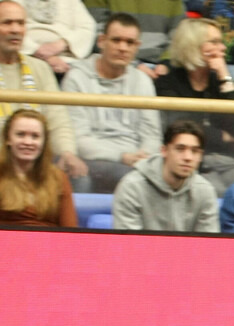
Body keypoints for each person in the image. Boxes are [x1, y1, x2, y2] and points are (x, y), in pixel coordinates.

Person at [61, 13, 162, 193]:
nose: (123, 48)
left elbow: (152, 134)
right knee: (133, 179)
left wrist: (144, 157)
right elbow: (78, 139)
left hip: (137, 161)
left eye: (130, 42)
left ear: (137, 47)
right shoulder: (76, 77)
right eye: (116, 40)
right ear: (101, 41)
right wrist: (122, 157)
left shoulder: (142, 81)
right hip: (93, 159)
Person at [155, 17, 234, 196]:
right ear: (193, 45)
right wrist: (224, 136)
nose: (222, 48)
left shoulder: (221, 81)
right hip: (189, 162)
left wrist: (224, 74)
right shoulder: (168, 80)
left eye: (221, 43)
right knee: (212, 191)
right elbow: (184, 128)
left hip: (228, 161)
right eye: (214, 42)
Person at [0, 0, 88, 189]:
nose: (15, 29)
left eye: (21, 23)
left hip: (36, 161)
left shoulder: (40, 68)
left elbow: (58, 118)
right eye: (7, 23)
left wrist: (67, 152)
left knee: (78, 177)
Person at [112, 120, 220, 232]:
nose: (188, 157)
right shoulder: (132, 187)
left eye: (195, 151)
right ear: (164, 151)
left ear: (201, 156)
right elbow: (128, 245)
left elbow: (208, 246)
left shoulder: (205, 191)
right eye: (180, 149)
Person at [0, 109, 76, 226]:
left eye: (35, 136)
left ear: (44, 142)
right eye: (20, 134)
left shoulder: (58, 178)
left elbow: (71, 231)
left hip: (49, 243)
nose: (28, 142)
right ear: (8, 139)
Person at [83, 0, 186, 81]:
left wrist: (166, 64)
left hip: (162, 67)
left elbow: (179, 34)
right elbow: (97, 33)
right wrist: (133, 65)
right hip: (116, 64)